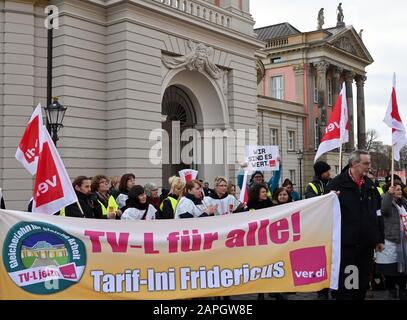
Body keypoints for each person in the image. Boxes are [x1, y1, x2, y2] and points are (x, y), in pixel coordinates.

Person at [326, 150, 384, 300]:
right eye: (366, 163)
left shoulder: (370, 185)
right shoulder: (337, 185)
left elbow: (377, 213)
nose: (369, 167)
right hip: (347, 247)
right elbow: (326, 214)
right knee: (348, 287)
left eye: (369, 163)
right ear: (354, 164)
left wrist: (379, 238)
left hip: (366, 246)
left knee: (362, 285)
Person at [376, 183, 407, 299]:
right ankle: (392, 290)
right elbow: (384, 209)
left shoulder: (403, 202)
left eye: (400, 189)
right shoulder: (386, 201)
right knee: (391, 269)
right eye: (397, 189)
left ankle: (403, 289)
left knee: (403, 267)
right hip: (391, 240)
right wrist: (389, 194)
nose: (400, 191)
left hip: (404, 240)